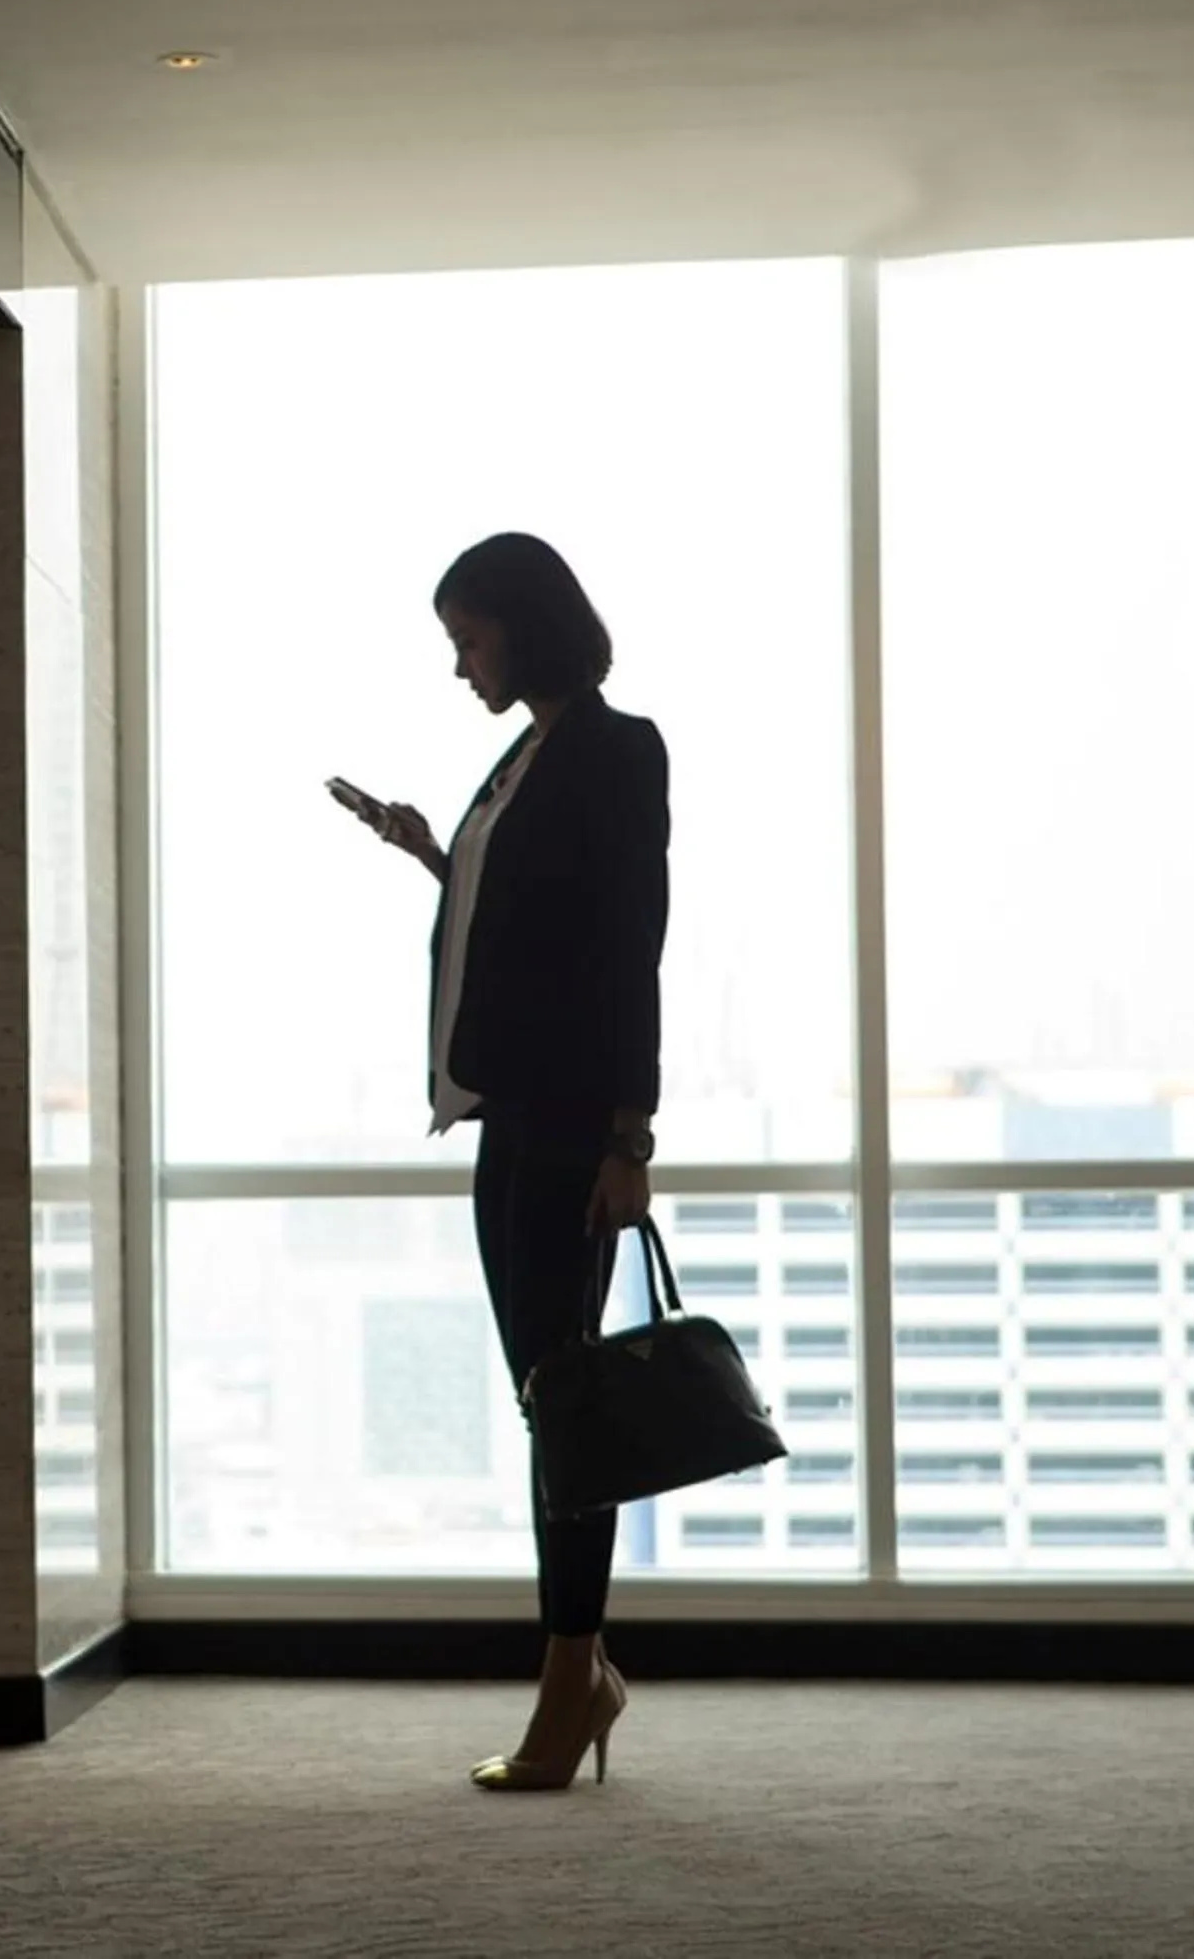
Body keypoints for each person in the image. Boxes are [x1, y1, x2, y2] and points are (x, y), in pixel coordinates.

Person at [348, 532, 669, 1793]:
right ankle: (580, 1674)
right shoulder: (522, 758)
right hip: (508, 1114)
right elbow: (531, 927)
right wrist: (437, 855)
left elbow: (626, 947)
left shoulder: (613, 748)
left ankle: (569, 1679)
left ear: (524, 628)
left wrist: (628, 1136)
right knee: (551, 1402)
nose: (459, 667)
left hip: (570, 1122)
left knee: (567, 1411)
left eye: (468, 640)